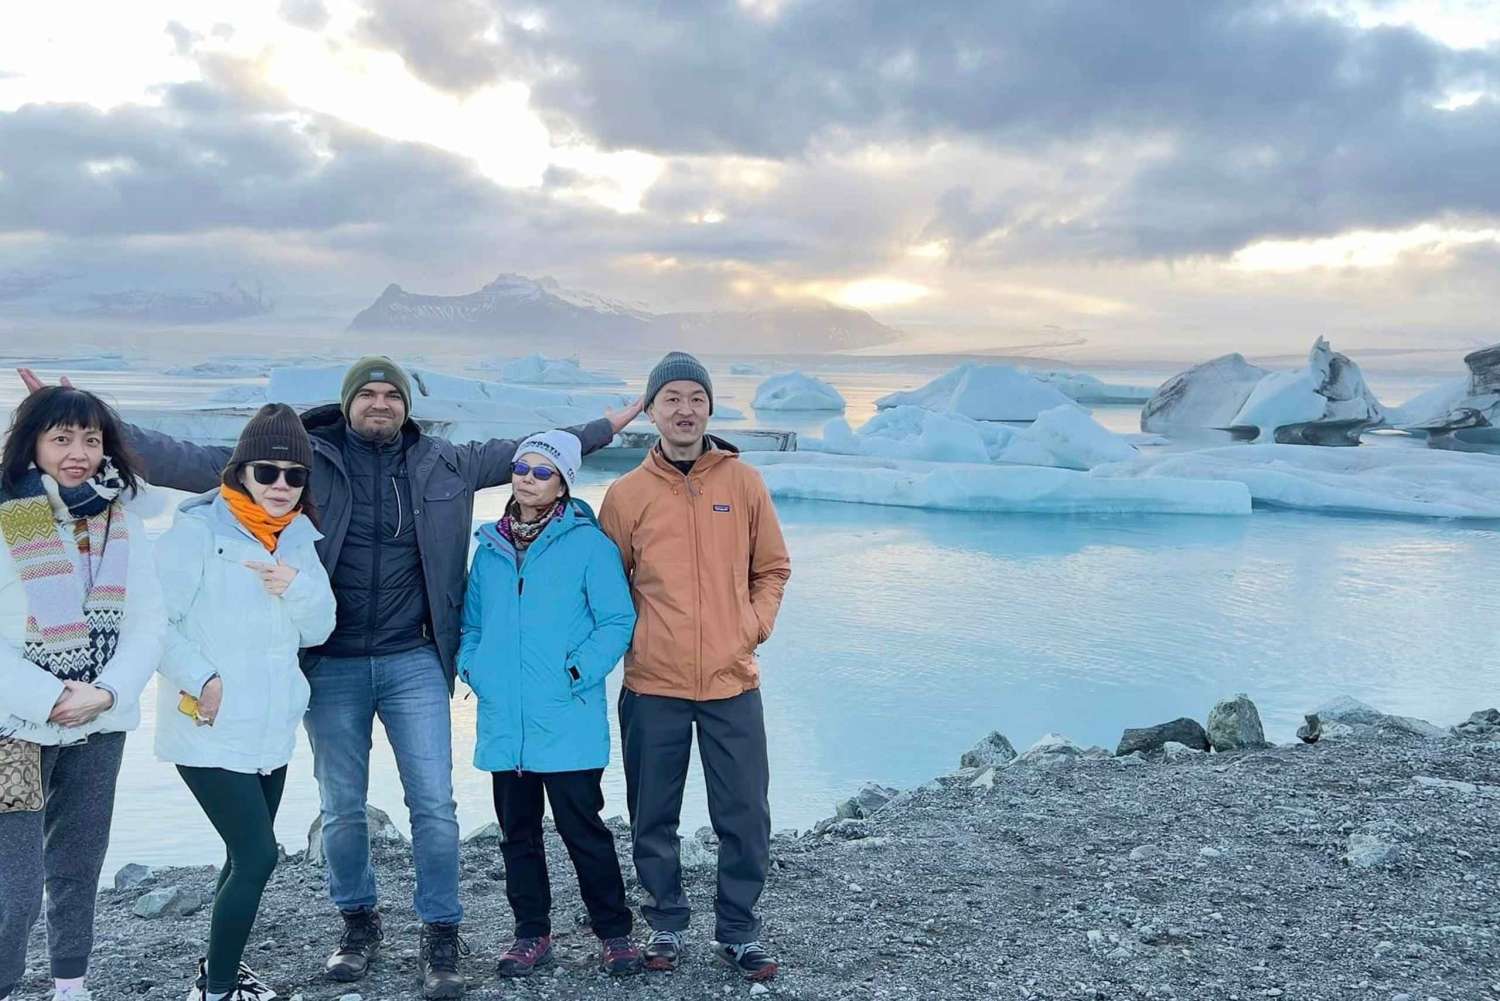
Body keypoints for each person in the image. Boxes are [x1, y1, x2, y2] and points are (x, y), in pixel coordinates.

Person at [19, 358, 641, 1000]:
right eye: (366, 394)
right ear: (347, 404)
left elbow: (533, 454)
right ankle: (357, 924)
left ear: (407, 406)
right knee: (341, 807)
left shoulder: (446, 463)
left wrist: (604, 424)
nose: (379, 404)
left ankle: (441, 933)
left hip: (415, 659)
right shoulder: (303, 460)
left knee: (433, 803)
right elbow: (184, 458)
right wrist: (92, 423)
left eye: (391, 395)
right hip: (331, 664)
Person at [598, 352, 791, 983]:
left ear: (710, 408)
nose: (685, 410)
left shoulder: (744, 484)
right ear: (652, 410)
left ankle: (738, 930)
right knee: (654, 812)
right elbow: (608, 588)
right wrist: (638, 643)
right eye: (672, 398)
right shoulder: (626, 496)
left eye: (696, 399)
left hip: (734, 682)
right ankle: (665, 923)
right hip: (654, 684)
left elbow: (772, 569)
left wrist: (751, 627)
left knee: (744, 813)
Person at [153, 404, 337, 1001]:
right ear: (240, 472)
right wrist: (201, 677)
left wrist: (297, 587)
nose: (281, 486)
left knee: (242, 855)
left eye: (295, 475)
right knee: (259, 856)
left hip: (272, 725)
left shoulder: (301, 540)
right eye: (268, 472)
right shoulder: (197, 532)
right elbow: (157, 623)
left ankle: (218, 970)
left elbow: (320, 629)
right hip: (207, 723)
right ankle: (221, 990)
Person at [0, 388, 166, 1001]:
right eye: (62, 438)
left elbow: (150, 621)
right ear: (33, 444)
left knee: (78, 867)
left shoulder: (122, 518)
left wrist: (107, 692)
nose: (78, 453)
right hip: (13, 725)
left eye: (91, 440)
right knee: (12, 887)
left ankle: (72, 987)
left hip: (101, 719)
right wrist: (48, 697)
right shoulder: (3, 513)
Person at [457, 431, 640, 979]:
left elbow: (617, 620)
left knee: (584, 829)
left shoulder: (588, 544)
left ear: (562, 483)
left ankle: (614, 933)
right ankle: (531, 934)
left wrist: (577, 671)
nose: (527, 478)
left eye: (542, 471)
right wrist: (476, 668)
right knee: (518, 834)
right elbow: (471, 624)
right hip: (504, 721)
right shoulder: (489, 548)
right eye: (521, 467)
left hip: (566, 716)